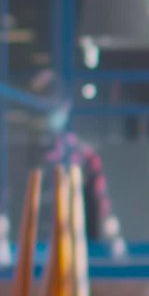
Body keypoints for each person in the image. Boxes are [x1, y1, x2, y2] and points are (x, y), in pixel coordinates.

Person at [43, 98, 127, 259]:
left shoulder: (81, 152)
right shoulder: (54, 152)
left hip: (85, 217)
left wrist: (116, 238)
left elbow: (102, 198)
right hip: (64, 216)